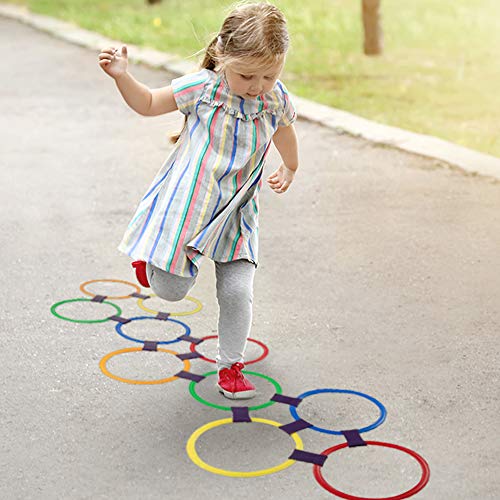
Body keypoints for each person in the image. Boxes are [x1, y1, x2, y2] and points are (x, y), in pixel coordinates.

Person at [98, 2, 299, 399]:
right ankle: (151, 260)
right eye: (247, 75)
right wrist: (122, 76)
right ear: (223, 55)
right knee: (172, 290)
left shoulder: (274, 98)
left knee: (237, 291)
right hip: (189, 209)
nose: (257, 86)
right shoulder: (203, 88)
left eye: (269, 75)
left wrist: (291, 166)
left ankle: (231, 366)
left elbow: (285, 131)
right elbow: (148, 103)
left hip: (236, 214)